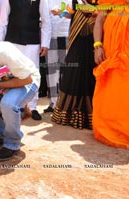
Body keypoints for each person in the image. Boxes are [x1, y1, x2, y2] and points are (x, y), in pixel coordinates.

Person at [0, 0, 51, 120]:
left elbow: (46, 20)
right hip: (12, 41)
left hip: (32, 41)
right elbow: (3, 21)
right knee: (11, 74)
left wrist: (45, 43)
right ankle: (13, 106)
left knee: (33, 72)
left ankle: (32, 106)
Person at [51, 0, 98, 129]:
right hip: (77, 38)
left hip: (95, 38)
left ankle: (94, 114)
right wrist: (61, 12)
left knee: (90, 73)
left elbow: (111, 10)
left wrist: (95, 11)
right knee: (72, 72)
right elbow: (73, 12)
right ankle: (70, 113)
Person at [93, 0, 129, 148]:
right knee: (114, 86)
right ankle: (113, 128)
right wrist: (97, 46)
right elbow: (99, 20)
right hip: (112, 47)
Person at [43, 0, 72, 113]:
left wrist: (61, 12)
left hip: (68, 36)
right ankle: (53, 103)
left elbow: (77, 11)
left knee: (68, 70)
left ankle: (66, 102)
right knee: (52, 71)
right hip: (51, 37)